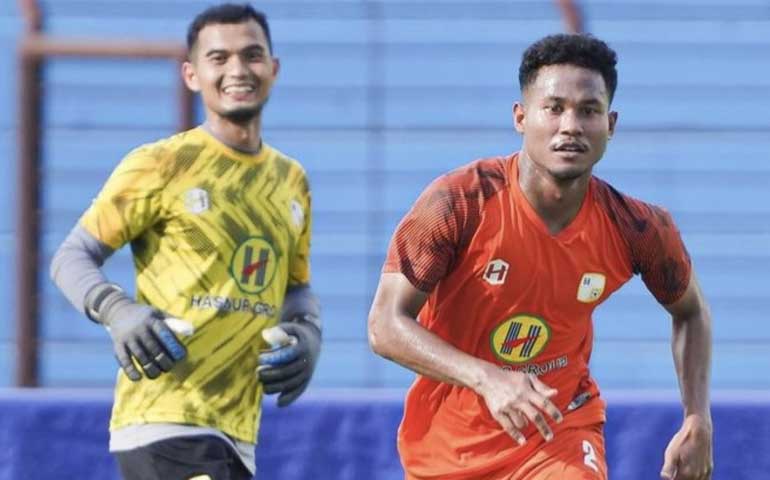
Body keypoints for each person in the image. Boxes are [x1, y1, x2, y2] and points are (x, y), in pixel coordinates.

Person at [368, 34, 713, 480]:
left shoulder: (638, 228)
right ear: (520, 117)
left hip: (561, 431)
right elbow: (384, 325)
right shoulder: (459, 203)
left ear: (610, 124)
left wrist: (696, 416)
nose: (571, 126)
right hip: (448, 449)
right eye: (554, 108)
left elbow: (691, 312)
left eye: (588, 111)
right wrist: (486, 377)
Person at [49, 4, 321, 479]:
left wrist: (308, 331)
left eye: (252, 55)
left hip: (238, 430)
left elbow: (295, 287)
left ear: (273, 68)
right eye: (219, 58)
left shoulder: (291, 180)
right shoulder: (162, 164)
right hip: (164, 417)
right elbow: (71, 257)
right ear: (192, 75)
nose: (237, 70)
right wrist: (118, 311)